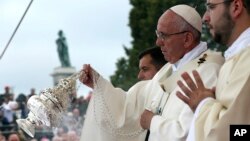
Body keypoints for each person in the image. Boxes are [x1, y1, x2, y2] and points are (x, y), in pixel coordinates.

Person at [79, 4, 224, 141]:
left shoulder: (207, 71)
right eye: (158, 34)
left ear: (187, 39)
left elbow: (195, 131)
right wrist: (98, 84)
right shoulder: (167, 70)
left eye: (164, 35)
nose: (158, 42)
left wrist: (152, 122)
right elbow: (128, 105)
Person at [176, 0, 250, 141]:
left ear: (236, 7)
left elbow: (234, 132)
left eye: (211, 7)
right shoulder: (235, 57)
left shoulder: (247, 58)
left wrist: (203, 103)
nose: (204, 17)